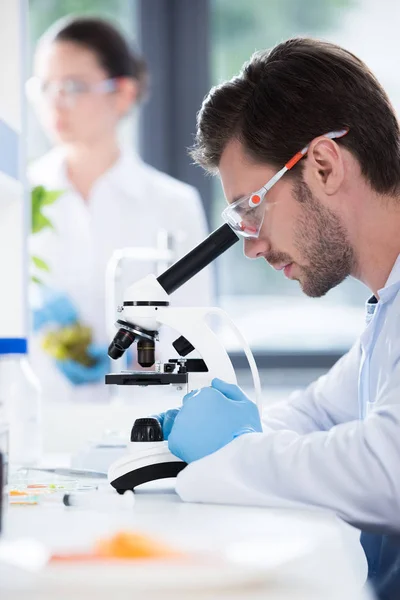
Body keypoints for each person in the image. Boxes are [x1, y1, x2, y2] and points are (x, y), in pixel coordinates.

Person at [156, 38, 400, 598]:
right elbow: (316, 414)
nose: (250, 246)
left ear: (322, 164)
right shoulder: (386, 308)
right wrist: (238, 432)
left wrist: (233, 453)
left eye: (250, 208)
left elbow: (388, 469)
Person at [28, 17, 213, 404]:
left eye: (73, 86)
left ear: (123, 93)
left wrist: (139, 354)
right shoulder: (18, 201)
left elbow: (193, 334)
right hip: (40, 417)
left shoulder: (172, 205)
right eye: (45, 87)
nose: (55, 102)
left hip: (138, 418)